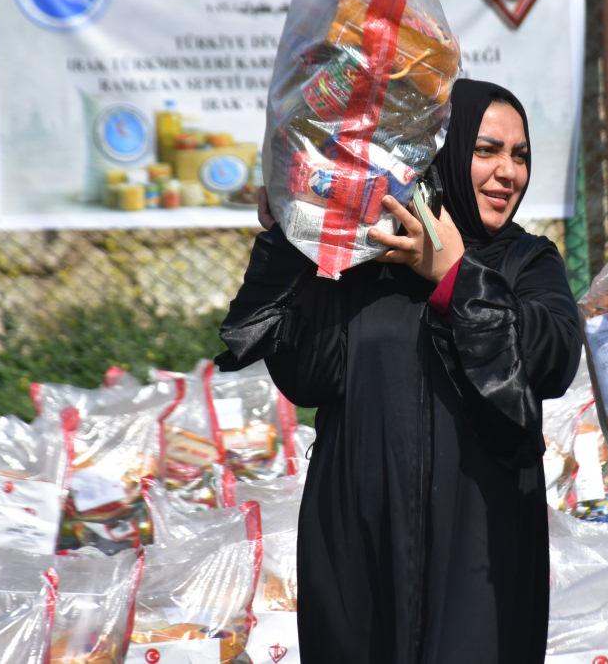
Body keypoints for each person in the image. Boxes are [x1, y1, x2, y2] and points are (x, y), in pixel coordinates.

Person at [215, 79, 583, 663]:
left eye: (520, 156)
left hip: (480, 551)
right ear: (442, 151)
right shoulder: (368, 259)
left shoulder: (526, 260)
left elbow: (553, 357)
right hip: (360, 540)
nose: (506, 173)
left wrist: (455, 276)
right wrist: (292, 237)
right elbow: (307, 375)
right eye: (485, 151)